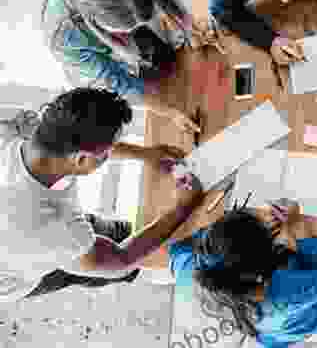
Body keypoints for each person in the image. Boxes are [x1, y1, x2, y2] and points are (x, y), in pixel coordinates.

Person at [0, 87, 203, 302]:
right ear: (80, 159)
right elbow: (120, 259)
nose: (109, 154)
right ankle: (150, 270)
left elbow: (87, 141)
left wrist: (146, 154)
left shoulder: (28, 133)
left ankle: (143, 251)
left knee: (104, 233)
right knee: (92, 268)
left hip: (30, 225)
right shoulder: (50, 230)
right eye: (106, 154)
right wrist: (184, 205)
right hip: (12, 274)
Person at [40, 0, 200, 134]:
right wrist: (169, 112)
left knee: (167, 55)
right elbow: (117, 80)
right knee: (155, 79)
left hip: (114, 24)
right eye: (123, 29)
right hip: (93, 55)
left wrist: (188, 25)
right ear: (92, 18)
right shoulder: (63, 37)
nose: (136, 32)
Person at [168, 196, 317, 347]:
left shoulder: (187, 268)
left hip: (261, 330)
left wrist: (238, 232)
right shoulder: (284, 291)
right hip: (287, 326)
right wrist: (294, 231)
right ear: (271, 262)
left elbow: (177, 248)